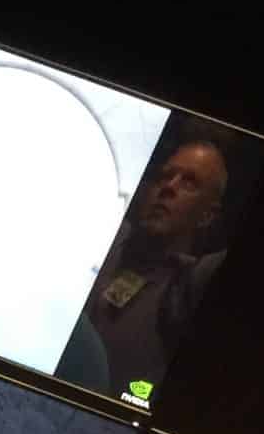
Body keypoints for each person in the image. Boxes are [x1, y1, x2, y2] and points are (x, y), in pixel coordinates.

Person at [78, 135, 232, 401]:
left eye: (189, 182)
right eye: (164, 176)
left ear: (207, 215)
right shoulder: (108, 237)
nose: (169, 187)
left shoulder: (189, 283)